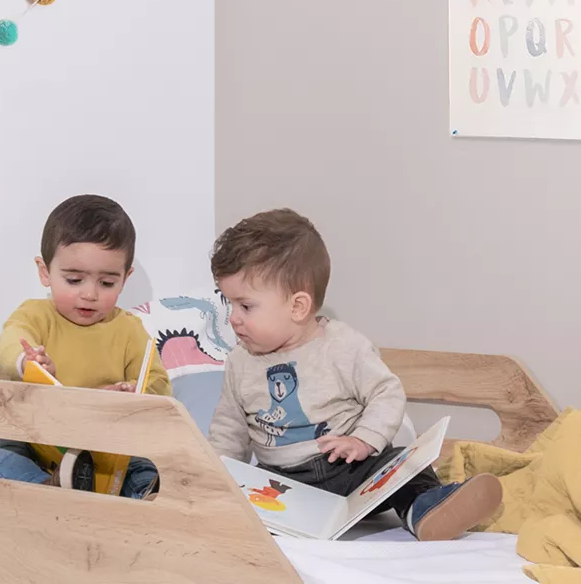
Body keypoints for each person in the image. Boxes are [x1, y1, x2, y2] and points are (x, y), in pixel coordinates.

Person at [208, 208, 501, 540]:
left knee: (402, 466)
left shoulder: (342, 347)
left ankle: (425, 509)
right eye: (229, 303)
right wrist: (213, 476)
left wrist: (363, 439)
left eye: (245, 306)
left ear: (298, 307)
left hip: (349, 470)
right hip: (282, 483)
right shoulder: (240, 362)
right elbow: (229, 429)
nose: (233, 318)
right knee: (242, 493)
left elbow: (385, 392)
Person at [0, 194, 170, 496]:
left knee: (146, 464)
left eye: (106, 283)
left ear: (125, 278)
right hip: (43, 443)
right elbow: (11, 340)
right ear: (45, 272)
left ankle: (141, 500)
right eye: (74, 280)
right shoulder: (36, 315)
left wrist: (133, 392)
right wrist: (27, 361)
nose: (90, 294)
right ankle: (49, 491)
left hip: (109, 448)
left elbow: (158, 381)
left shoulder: (128, 329)